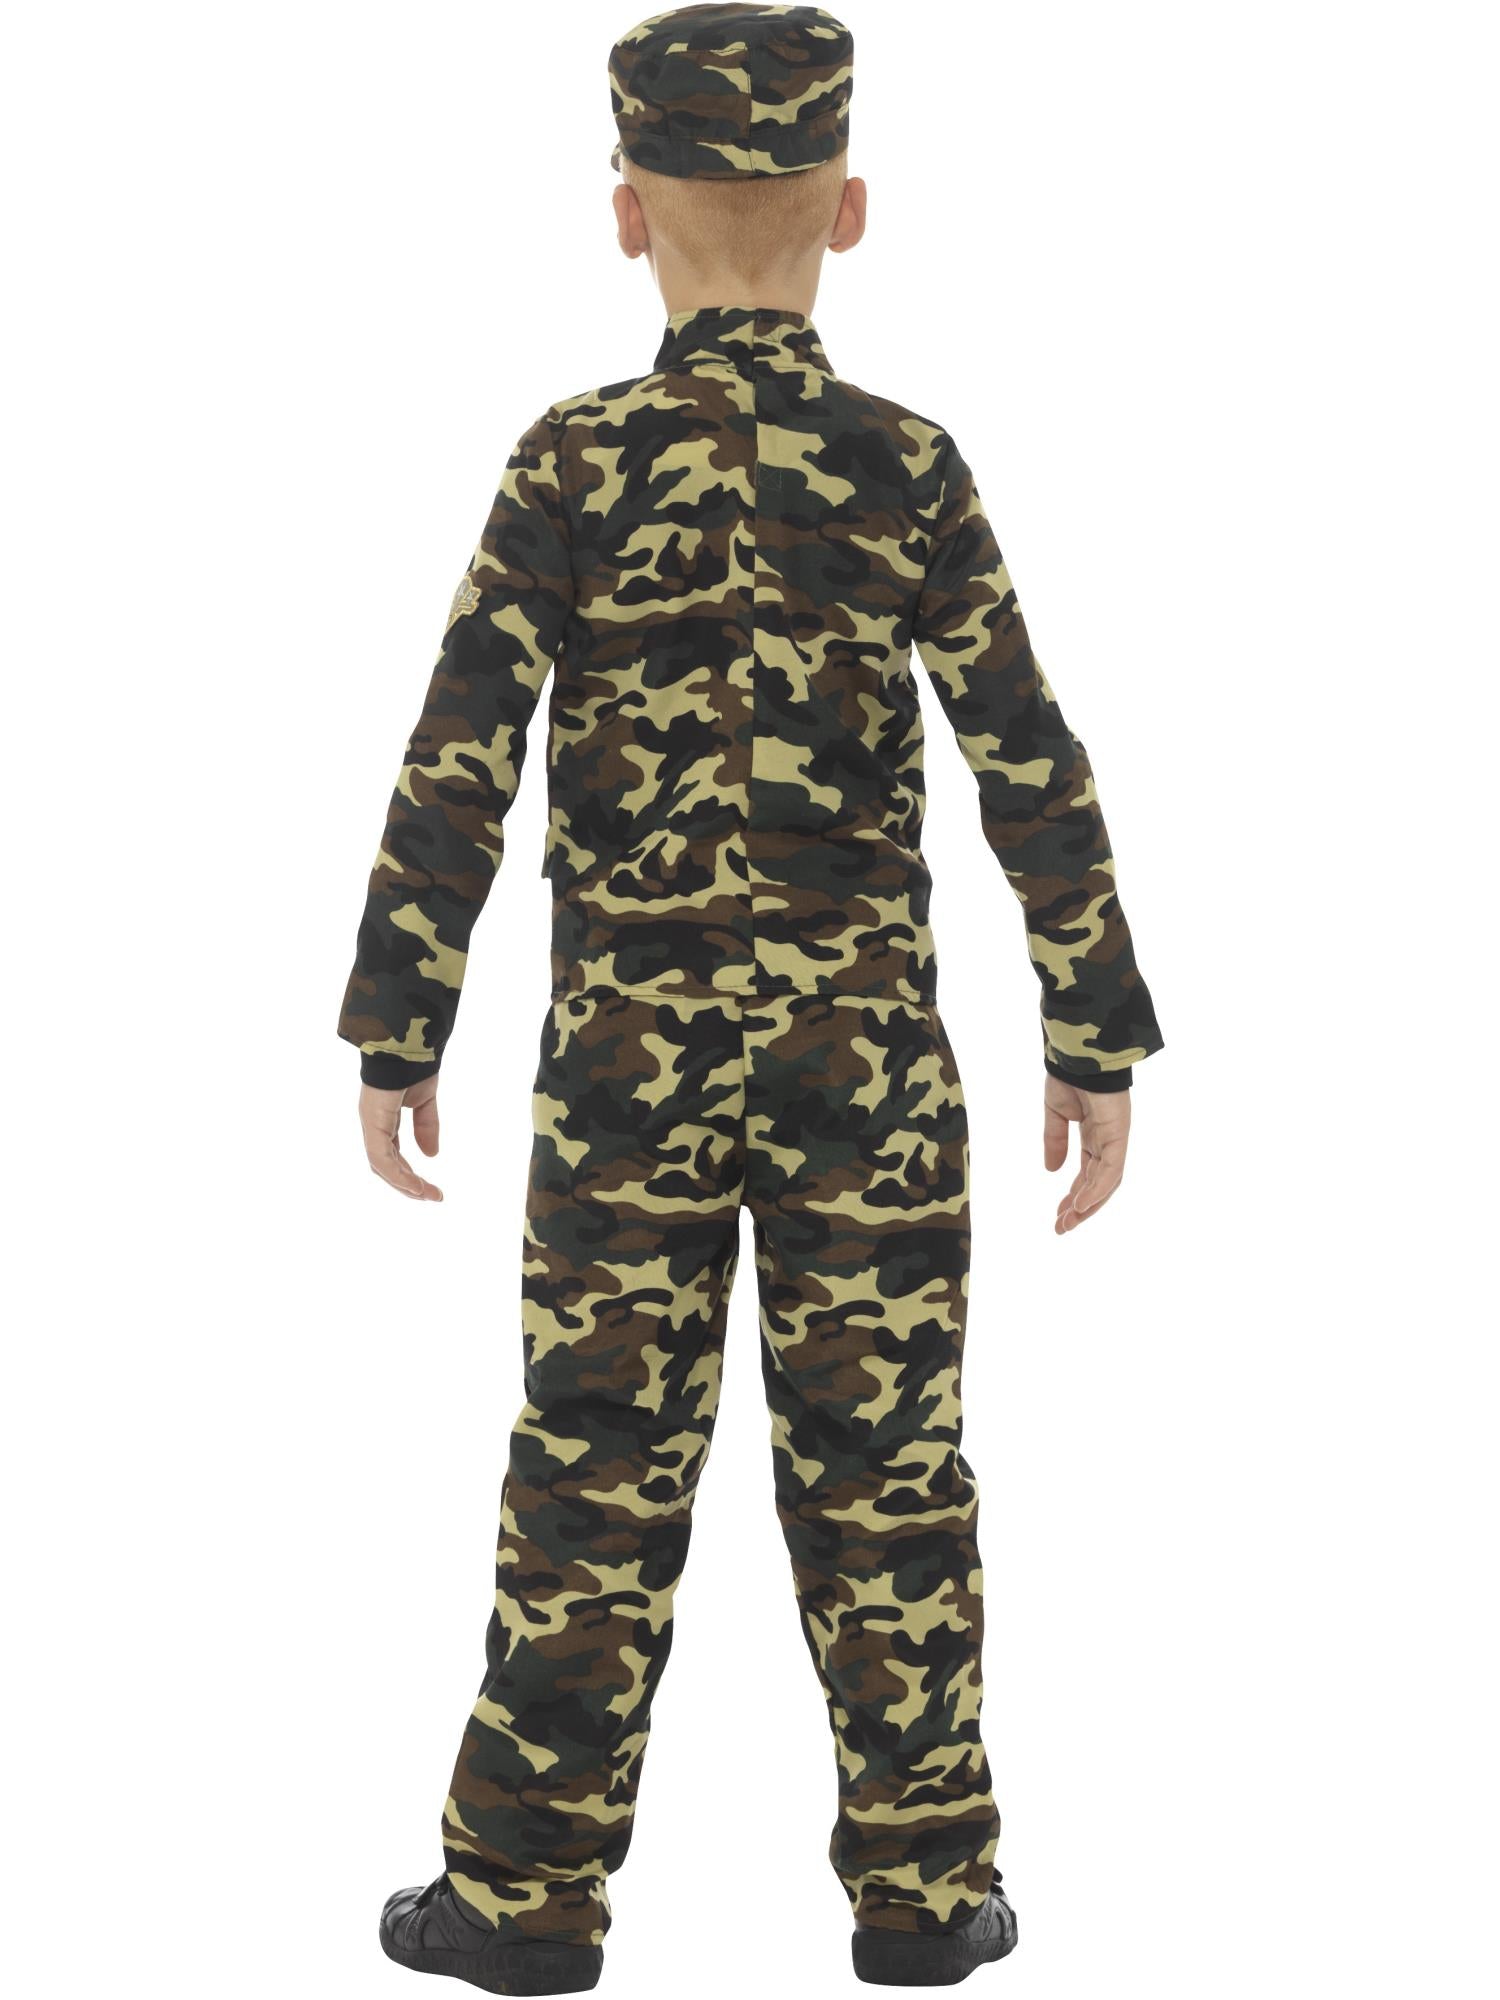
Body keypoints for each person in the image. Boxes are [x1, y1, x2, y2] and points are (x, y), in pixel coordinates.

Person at [339, 6, 1162, 1990]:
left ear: (625, 212)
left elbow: (461, 752)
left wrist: (398, 1018)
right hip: (865, 1064)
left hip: (624, 1069)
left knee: (589, 1463)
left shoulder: (568, 460)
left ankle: (521, 1904)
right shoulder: (908, 468)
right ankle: (928, 1895)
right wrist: (1092, 1029)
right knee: (890, 1474)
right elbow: (1028, 760)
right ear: (849, 210)